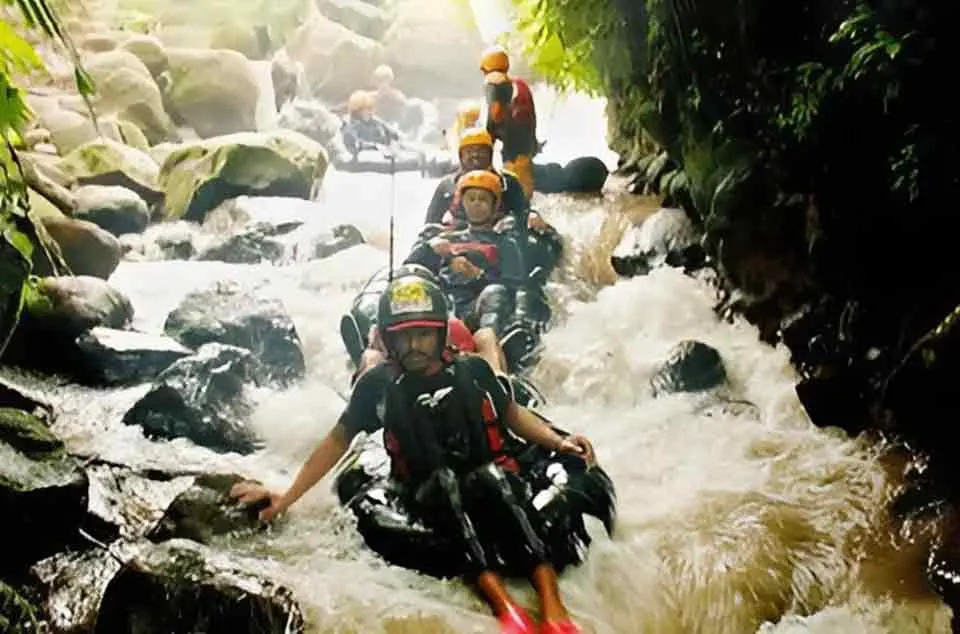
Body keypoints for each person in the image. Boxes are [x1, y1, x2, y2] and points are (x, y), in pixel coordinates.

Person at [231, 274, 592, 633]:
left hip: (485, 480)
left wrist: (558, 443)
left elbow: (511, 415)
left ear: (440, 335)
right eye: (402, 336)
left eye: (422, 334)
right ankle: (503, 604)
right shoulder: (378, 385)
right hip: (423, 490)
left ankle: (551, 602)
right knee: (445, 482)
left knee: (494, 479)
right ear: (388, 340)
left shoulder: (472, 370)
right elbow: (336, 442)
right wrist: (286, 498)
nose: (413, 345)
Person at [406, 170, 540, 366]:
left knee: (495, 292)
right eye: (471, 199)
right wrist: (429, 250)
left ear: (495, 206)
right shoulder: (443, 239)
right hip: (443, 306)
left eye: (483, 199)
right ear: (462, 203)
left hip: (477, 309)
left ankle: (492, 351)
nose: (477, 204)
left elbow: (515, 286)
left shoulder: (505, 243)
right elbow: (410, 271)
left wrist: (478, 275)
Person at [352, 265, 511, 382]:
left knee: (486, 336)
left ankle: (500, 381)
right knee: (371, 356)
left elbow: (463, 356)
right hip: (397, 377)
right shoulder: (380, 330)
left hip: (447, 370)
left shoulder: (452, 326)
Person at [425, 127, 547, 233]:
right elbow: (430, 222)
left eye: (480, 151)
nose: (475, 155)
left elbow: (523, 212)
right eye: (469, 151)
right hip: (458, 238)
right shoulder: (448, 185)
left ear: (490, 154)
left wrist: (532, 216)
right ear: (461, 156)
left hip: (498, 238)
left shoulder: (507, 182)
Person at [479, 45, 539, 199]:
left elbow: (495, 114)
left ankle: (519, 215)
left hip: (514, 147)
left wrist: (486, 144)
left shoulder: (494, 82)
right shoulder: (520, 84)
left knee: (516, 188)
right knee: (524, 185)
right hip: (526, 146)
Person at [340, 90, 402, 156]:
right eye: (368, 108)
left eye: (372, 108)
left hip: (385, 154)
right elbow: (354, 146)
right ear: (358, 110)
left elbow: (394, 133)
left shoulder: (374, 120)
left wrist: (395, 140)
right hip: (364, 158)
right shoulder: (349, 126)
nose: (372, 111)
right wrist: (376, 146)